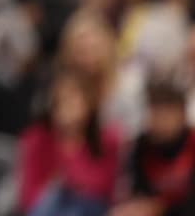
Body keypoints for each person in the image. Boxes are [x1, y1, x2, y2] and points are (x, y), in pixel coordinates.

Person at [17, 75, 121, 216]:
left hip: (92, 209)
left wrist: (69, 178)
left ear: (89, 104)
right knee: (55, 195)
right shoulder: (37, 138)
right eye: (60, 102)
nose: (66, 109)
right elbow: (28, 195)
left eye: (72, 102)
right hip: (48, 209)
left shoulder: (107, 138)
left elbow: (105, 188)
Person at [116, 78, 195, 216]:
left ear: (182, 116)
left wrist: (162, 207)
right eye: (154, 113)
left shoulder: (192, 143)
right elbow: (139, 194)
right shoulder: (141, 146)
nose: (160, 122)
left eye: (166, 115)